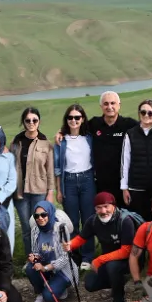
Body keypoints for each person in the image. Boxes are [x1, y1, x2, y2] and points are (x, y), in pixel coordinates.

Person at [66, 192, 138, 302]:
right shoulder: (93, 221)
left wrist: (99, 259)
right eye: (99, 207)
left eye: (106, 206)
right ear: (95, 209)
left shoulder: (125, 221)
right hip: (108, 261)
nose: (103, 211)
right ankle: (118, 283)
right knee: (90, 284)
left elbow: (126, 251)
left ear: (113, 206)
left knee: (112, 267)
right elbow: (82, 238)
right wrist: (70, 245)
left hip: (130, 262)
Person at [55, 104, 96, 270]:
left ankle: (88, 257)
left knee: (88, 219)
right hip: (69, 182)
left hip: (87, 180)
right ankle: (74, 256)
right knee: (71, 222)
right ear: (66, 120)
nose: (74, 120)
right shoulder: (61, 141)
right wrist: (59, 189)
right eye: (70, 117)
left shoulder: (89, 137)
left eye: (77, 117)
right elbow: (57, 167)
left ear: (82, 119)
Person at [11, 107, 56, 256]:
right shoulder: (16, 141)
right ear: (23, 122)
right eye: (28, 120)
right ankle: (30, 259)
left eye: (34, 120)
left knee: (39, 225)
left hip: (39, 191)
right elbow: (10, 165)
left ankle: (43, 257)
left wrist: (50, 193)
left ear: (39, 122)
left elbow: (50, 170)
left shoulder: (45, 143)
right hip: (20, 192)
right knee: (26, 227)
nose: (31, 123)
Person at [85, 91, 139, 203]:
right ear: (101, 107)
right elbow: (74, 130)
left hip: (123, 183)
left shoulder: (129, 124)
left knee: (124, 216)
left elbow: (147, 127)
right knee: (104, 214)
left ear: (119, 105)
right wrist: (61, 133)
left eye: (113, 103)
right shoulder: (94, 124)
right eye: (106, 104)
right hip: (101, 182)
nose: (109, 107)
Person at [121, 99, 152, 221]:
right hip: (136, 187)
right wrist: (124, 188)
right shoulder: (130, 134)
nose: (146, 115)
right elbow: (125, 162)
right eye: (143, 112)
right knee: (140, 222)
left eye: (150, 113)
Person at [25, 201, 76, 302]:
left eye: (44, 214)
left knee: (49, 297)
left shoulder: (61, 229)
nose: (40, 218)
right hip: (45, 265)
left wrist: (45, 268)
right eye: (37, 216)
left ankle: (59, 287)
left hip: (62, 269)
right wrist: (34, 257)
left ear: (50, 213)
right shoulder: (35, 230)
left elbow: (65, 257)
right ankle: (40, 293)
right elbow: (35, 251)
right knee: (29, 268)